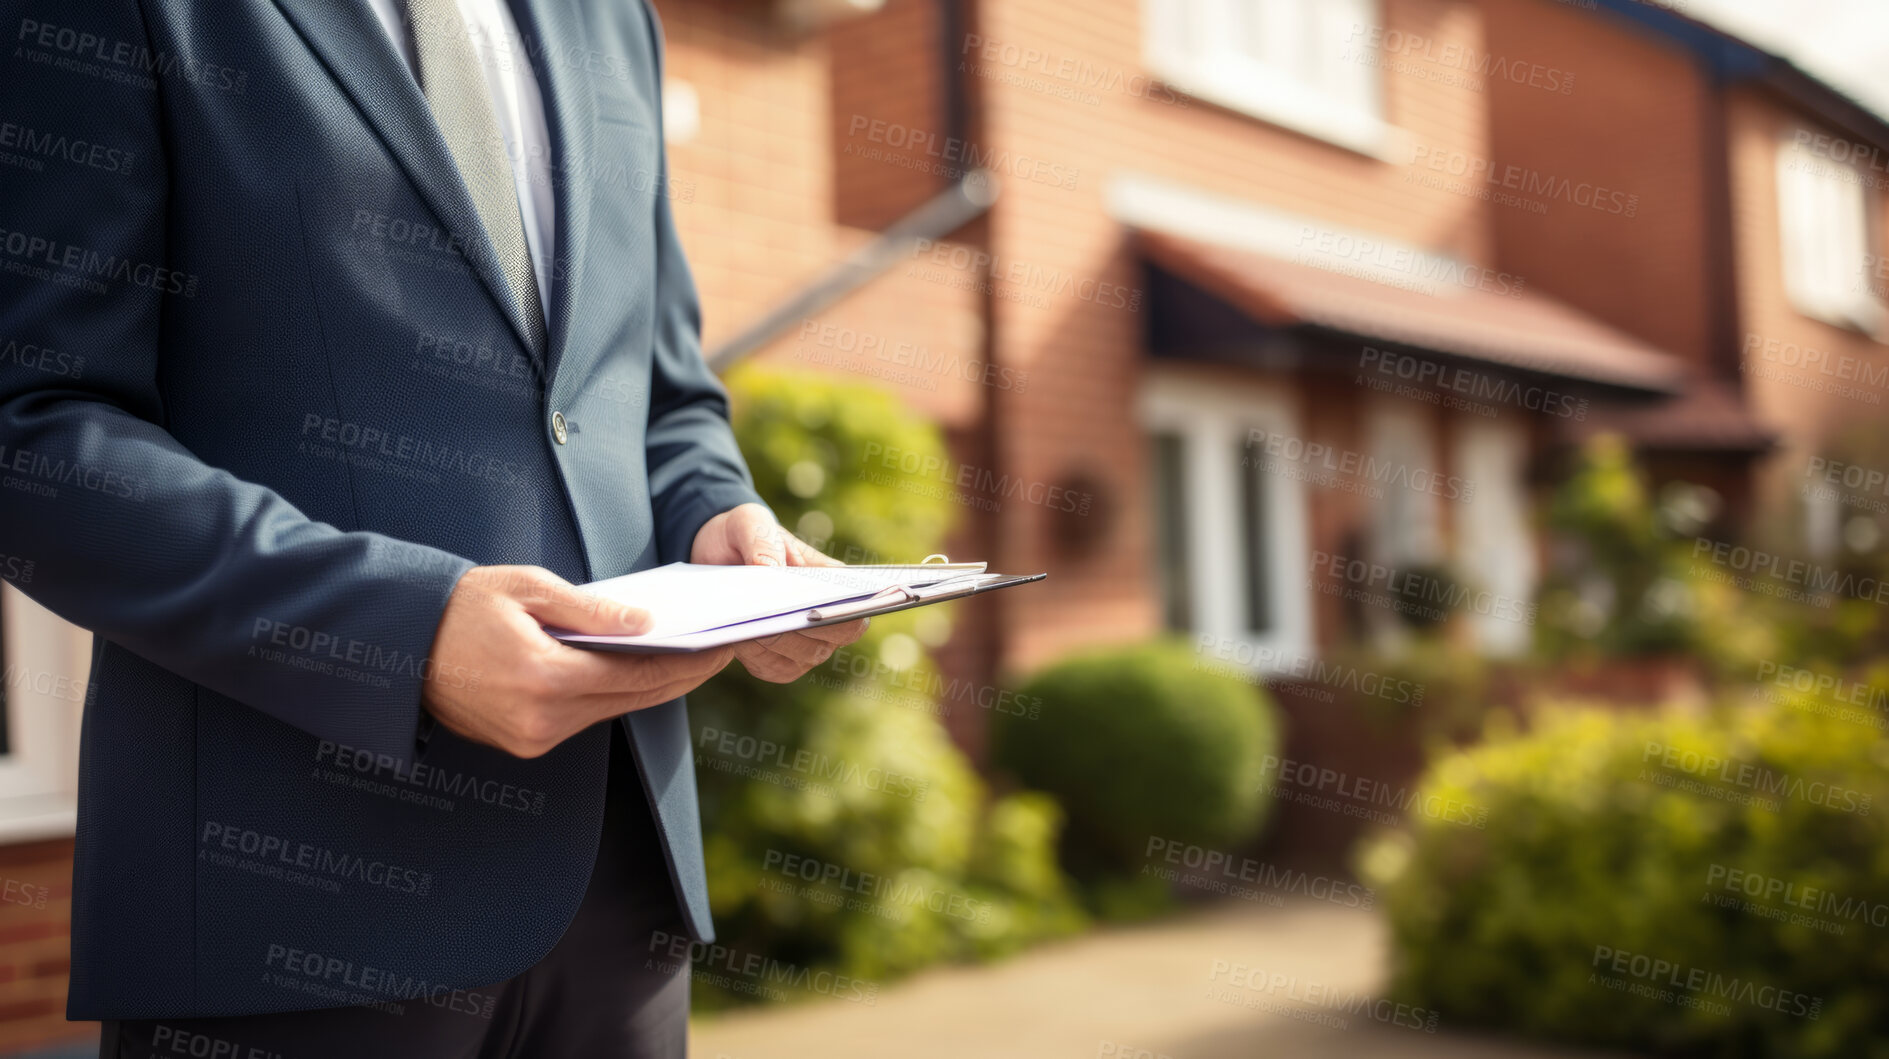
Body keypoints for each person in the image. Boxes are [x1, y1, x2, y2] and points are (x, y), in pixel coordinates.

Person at [0, 0, 863, 1053]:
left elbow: (658, 392)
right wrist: (399, 634)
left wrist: (716, 512)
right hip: (290, 909)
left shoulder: (613, 20)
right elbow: (34, 427)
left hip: (621, 899)